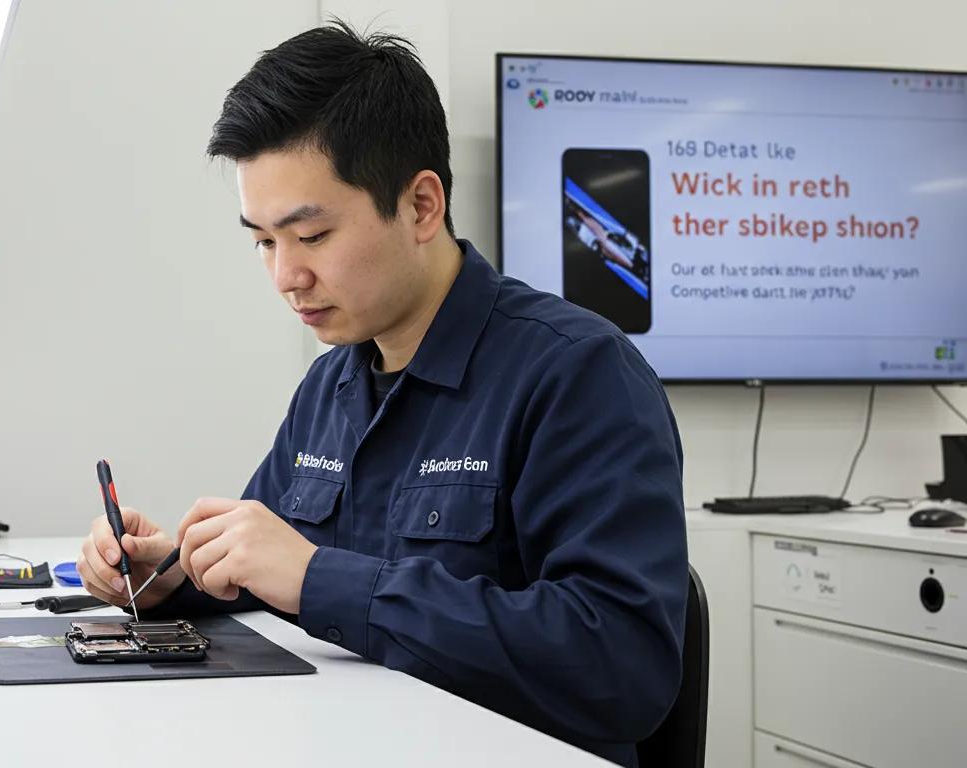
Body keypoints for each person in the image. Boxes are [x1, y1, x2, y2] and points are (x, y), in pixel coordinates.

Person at [77, 21, 687, 767]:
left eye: (312, 236)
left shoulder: (577, 373)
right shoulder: (330, 384)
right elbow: (269, 577)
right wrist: (170, 576)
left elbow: (622, 667)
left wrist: (319, 579)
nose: (285, 276)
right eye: (264, 241)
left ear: (422, 206)